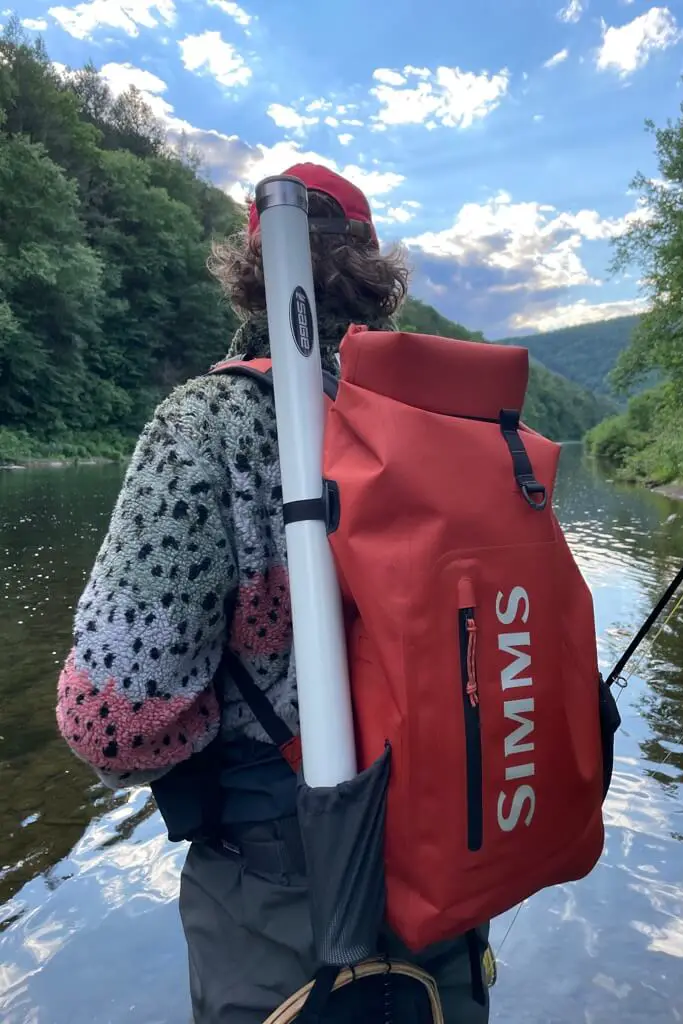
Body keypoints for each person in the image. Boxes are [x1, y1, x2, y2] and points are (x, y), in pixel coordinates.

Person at [56, 163, 491, 1024]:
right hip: (453, 852)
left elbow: (117, 725)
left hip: (280, 895)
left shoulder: (205, 424)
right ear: (376, 281)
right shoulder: (460, 428)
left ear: (248, 270)